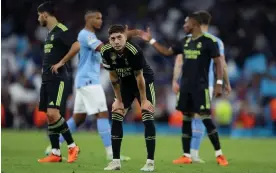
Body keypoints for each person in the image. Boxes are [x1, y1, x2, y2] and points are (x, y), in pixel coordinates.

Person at [139, 12, 228, 166]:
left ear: (194, 24)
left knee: (206, 118)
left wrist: (219, 83)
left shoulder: (209, 42)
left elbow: (219, 63)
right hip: (186, 88)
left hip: (201, 87)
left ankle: (219, 154)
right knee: (186, 119)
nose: (184, 25)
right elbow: (167, 52)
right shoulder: (185, 41)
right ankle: (186, 155)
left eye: (186, 23)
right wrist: (151, 40)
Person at [49, 10, 133, 160]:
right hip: (89, 82)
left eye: (101, 18)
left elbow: (100, 59)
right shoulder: (85, 35)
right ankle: (111, 153)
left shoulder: (90, 36)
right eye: (98, 18)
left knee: (78, 118)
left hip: (83, 81)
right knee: (102, 114)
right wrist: (121, 38)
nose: (101, 21)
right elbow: (103, 48)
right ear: (88, 19)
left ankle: (54, 146)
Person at [172, 11, 231, 163]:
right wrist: (226, 83)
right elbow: (222, 64)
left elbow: (179, 61)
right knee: (199, 118)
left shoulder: (189, 39)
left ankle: (192, 154)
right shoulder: (216, 41)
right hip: (206, 84)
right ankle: (192, 153)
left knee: (193, 117)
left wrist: (175, 80)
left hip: (192, 84)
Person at [101, 24, 156, 171]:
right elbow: (113, 77)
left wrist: (144, 100)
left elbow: (139, 77)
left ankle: (150, 162)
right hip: (125, 84)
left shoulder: (134, 51)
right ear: (109, 40)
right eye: (113, 39)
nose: (116, 41)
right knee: (117, 115)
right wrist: (118, 100)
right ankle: (116, 161)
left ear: (125, 37)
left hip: (144, 81)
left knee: (147, 115)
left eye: (119, 37)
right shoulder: (106, 51)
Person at [36, 1, 79, 163]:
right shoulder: (50, 34)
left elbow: (76, 45)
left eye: (39, 14)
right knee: (49, 115)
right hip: (47, 79)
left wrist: (62, 62)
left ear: (45, 14)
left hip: (58, 78)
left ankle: (72, 146)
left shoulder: (62, 30)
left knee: (54, 114)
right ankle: (55, 152)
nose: (38, 18)